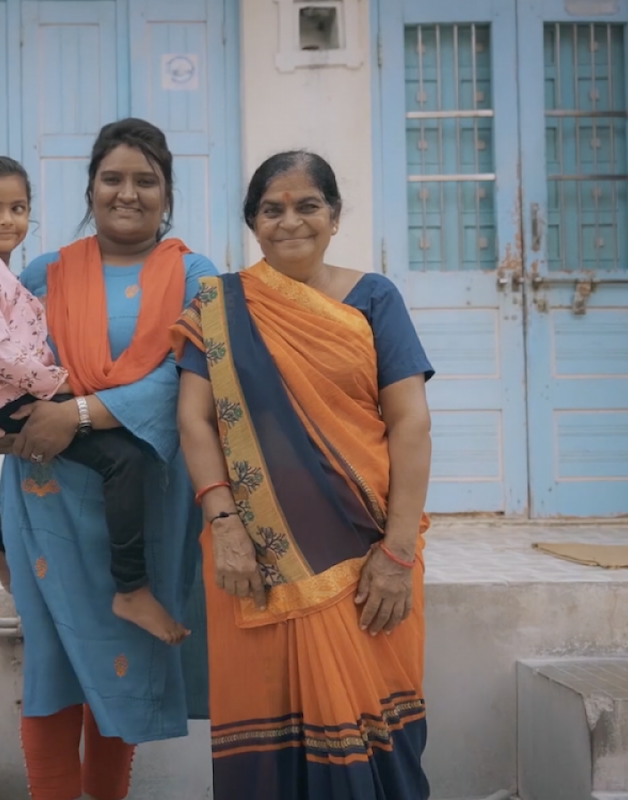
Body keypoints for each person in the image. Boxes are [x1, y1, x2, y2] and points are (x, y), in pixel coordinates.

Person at [173, 150, 434, 799]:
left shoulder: (375, 298)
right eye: (272, 209)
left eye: (307, 205)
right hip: (255, 556)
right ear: (253, 223)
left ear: (335, 216)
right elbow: (194, 420)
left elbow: (410, 423)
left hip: (369, 550)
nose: (290, 221)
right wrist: (225, 524)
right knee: (271, 731)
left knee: (377, 719)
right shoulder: (221, 307)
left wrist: (397, 553)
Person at [0, 118, 217, 800]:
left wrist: (77, 413)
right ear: (90, 189)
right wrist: (0, 532)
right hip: (45, 495)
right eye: (112, 178)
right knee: (51, 666)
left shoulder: (196, 276)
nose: (127, 193)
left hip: (141, 499)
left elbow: (184, 380)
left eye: (146, 180)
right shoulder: (43, 273)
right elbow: (9, 380)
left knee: (119, 658)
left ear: (167, 193)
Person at [0, 154, 188, 644]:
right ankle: (131, 587)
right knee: (123, 460)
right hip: (15, 396)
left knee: (36, 446)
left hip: (10, 397)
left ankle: (0, 550)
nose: (6, 220)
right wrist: (61, 385)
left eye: (17, 209)